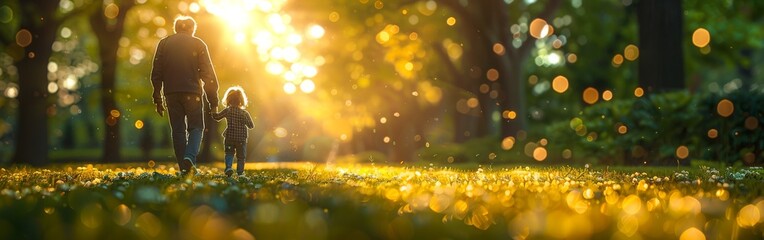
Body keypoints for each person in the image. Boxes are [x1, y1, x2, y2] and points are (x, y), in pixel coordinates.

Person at [150, 16, 219, 176]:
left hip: (171, 93)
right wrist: (213, 101)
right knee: (196, 127)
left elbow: (156, 72)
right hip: (193, 93)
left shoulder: (164, 43)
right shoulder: (198, 43)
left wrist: (157, 98)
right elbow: (208, 75)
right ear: (192, 29)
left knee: (178, 131)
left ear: (176, 28)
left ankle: (184, 168)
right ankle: (190, 156)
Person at [211, 86, 254, 177]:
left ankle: (229, 168)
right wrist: (244, 120)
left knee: (229, 153)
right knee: (241, 157)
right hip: (241, 139)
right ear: (241, 100)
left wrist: (213, 110)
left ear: (228, 100)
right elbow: (251, 126)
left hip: (229, 137)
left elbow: (217, 117)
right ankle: (240, 172)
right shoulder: (244, 113)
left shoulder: (228, 110)